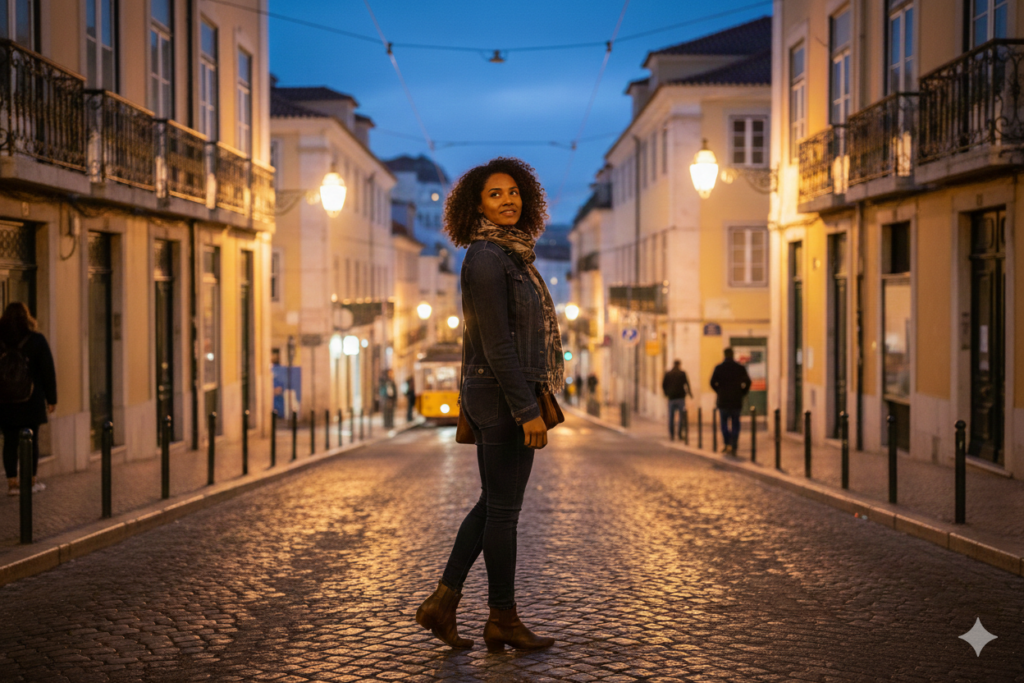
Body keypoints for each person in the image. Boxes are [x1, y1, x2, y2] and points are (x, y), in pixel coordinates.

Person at [416, 157, 559, 652]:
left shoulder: (511, 256)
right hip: (501, 395)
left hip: (502, 390)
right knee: (504, 512)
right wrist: (526, 409)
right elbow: (496, 342)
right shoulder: (485, 257)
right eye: (495, 194)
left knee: (493, 505)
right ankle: (502, 616)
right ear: (476, 204)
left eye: (515, 192)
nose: (508, 200)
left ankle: (443, 602)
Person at [0, 303, 57, 495]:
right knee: (31, 440)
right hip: (31, 400)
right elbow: (48, 370)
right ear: (27, 318)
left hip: (5, 401)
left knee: (9, 441)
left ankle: (12, 484)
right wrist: (52, 399)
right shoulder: (37, 340)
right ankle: (31, 481)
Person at [710, 348, 751, 456]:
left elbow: (712, 382)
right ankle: (734, 445)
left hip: (723, 401)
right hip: (736, 400)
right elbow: (748, 382)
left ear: (724, 355)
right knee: (735, 424)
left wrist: (719, 391)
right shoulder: (739, 368)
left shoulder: (719, 368)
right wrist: (742, 392)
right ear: (733, 355)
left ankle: (727, 443)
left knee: (724, 424)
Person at [662, 360, 692, 441]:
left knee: (671, 417)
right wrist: (690, 393)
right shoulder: (682, 373)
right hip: (680, 398)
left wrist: (666, 393)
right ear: (679, 365)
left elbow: (663, 385)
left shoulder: (668, 374)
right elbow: (687, 384)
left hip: (671, 398)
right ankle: (679, 434)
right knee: (681, 417)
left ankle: (671, 435)